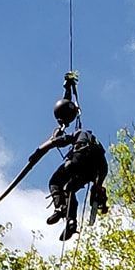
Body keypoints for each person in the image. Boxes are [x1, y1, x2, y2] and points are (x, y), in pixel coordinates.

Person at [26, 74, 109, 240]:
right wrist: (98, 186)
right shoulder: (97, 145)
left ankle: (60, 208)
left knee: (55, 182)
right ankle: (71, 222)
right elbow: (104, 168)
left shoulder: (79, 134)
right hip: (94, 170)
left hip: (78, 160)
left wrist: (36, 154)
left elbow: (55, 142)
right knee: (70, 189)